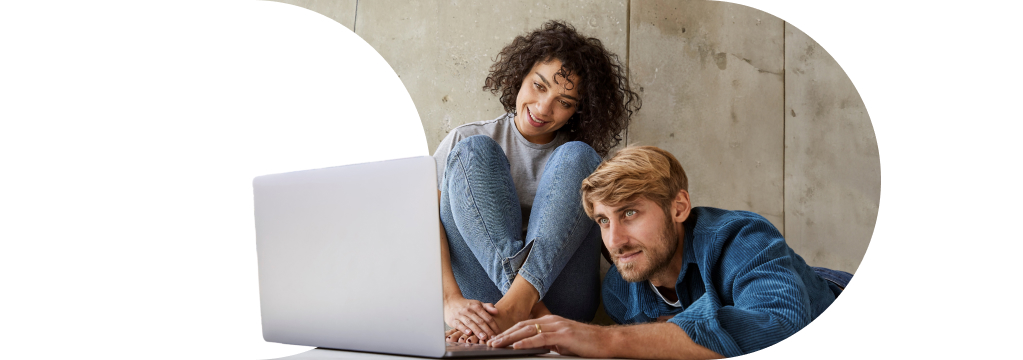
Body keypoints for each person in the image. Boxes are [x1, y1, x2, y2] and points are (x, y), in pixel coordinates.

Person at [485, 146, 853, 359]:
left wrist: (602, 339)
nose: (614, 240)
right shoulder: (620, 289)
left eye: (629, 212)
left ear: (678, 208)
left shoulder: (741, 238)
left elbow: (779, 328)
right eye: (603, 220)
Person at [434, 20, 641, 344]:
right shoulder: (465, 137)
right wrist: (448, 300)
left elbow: (610, 240)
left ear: (579, 110)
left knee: (581, 158)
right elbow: (423, 224)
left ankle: (516, 309)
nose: (544, 108)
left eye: (565, 101)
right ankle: (533, 315)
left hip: (564, 298)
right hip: (480, 302)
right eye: (539, 86)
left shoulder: (580, 160)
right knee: (472, 151)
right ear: (520, 76)